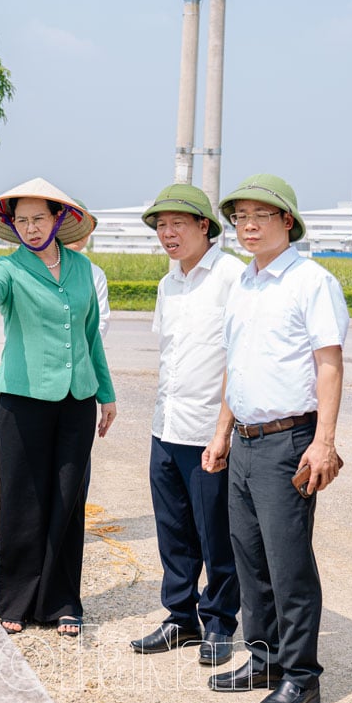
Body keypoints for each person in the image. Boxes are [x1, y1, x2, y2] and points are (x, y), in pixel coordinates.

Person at [202, 174, 349, 703]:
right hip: (244, 439)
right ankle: (261, 658)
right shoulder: (243, 281)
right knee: (249, 557)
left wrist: (325, 443)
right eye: (240, 217)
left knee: (288, 562)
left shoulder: (311, 281)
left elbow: (329, 365)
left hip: (290, 440)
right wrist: (221, 432)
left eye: (261, 215)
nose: (249, 225)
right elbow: (235, 367)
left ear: (287, 221)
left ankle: (302, 674)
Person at [0, 177, 116, 638]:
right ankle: (17, 601)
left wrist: (105, 392)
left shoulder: (83, 270)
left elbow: (90, 335)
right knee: (23, 500)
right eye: (22, 220)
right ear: (12, 224)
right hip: (23, 402)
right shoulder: (10, 268)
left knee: (68, 499)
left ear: (59, 219)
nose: (31, 227)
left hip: (77, 400)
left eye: (39, 218)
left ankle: (64, 602)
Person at [128, 183, 243, 667]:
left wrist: (222, 432)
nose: (167, 233)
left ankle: (218, 623)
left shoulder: (234, 277)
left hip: (207, 431)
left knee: (216, 535)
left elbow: (238, 361)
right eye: (160, 225)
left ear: (205, 227)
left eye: (178, 223)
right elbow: (172, 356)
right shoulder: (167, 283)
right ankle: (181, 618)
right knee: (173, 532)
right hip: (166, 426)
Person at [64, 204, 110, 338]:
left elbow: (101, 320)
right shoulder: (38, 268)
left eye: (84, 227)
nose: (79, 233)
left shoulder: (95, 273)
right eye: (71, 225)